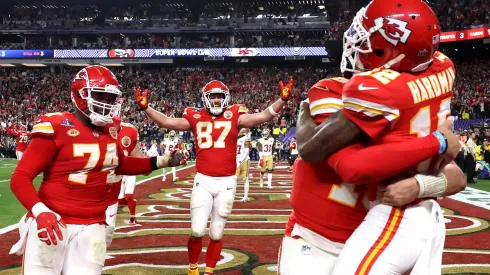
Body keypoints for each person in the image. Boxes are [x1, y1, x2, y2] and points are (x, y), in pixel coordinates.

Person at [295, 1, 465, 274]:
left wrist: (438, 143)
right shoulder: (442, 65)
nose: (357, 44)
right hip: (416, 213)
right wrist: (427, 173)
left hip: (396, 215)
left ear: (390, 52)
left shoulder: (372, 90)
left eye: (366, 39)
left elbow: (334, 159)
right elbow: (456, 177)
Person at [8, 65, 187, 275]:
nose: (107, 104)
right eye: (100, 96)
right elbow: (20, 177)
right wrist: (41, 212)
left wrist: (162, 161)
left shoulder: (110, 129)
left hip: (93, 224)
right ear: (80, 94)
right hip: (53, 220)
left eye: (111, 99)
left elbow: (120, 164)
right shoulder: (57, 125)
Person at [278, 74, 464, 275]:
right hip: (314, 237)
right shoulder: (333, 92)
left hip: (371, 245)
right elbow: (314, 149)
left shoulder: (404, 111)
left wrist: (419, 186)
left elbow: (457, 177)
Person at [135, 77, 294, 275]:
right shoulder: (195, 116)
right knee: (196, 231)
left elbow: (262, 116)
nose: (217, 101)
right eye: (213, 97)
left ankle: (209, 271)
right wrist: (146, 108)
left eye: (220, 97)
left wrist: (282, 100)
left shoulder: (235, 115)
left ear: (226, 98)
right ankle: (193, 268)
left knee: (217, 233)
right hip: (203, 180)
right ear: (206, 98)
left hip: (227, 182)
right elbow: (167, 121)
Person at [105, 121, 145, 247]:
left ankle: (132, 217)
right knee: (121, 200)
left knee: (128, 196)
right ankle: (132, 203)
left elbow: (137, 155)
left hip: (130, 172)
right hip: (118, 174)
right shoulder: (104, 132)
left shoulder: (129, 131)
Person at [236, 128, 251, 202]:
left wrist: (240, 160)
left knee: (245, 179)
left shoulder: (246, 139)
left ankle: (245, 196)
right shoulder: (235, 138)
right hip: (235, 160)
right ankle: (230, 194)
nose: (240, 130)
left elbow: (246, 152)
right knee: (233, 179)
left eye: (242, 129)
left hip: (244, 160)